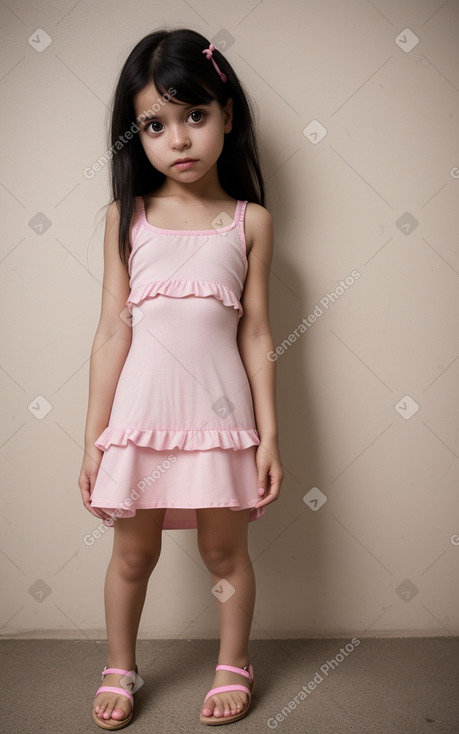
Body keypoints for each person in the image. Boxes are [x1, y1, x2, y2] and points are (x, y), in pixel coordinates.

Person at [78, 27, 283, 729]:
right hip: (139, 414)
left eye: (195, 115)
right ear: (135, 136)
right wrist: (92, 438)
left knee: (224, 549)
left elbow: (256, 332)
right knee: (132, 555)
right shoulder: (124, 219)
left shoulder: (248, 222)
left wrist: (269, 435)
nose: (179, 139)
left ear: (227, 115)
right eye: (155, 125)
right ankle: (120, 664)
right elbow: (112, 332)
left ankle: (234, 662)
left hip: (223, 418)